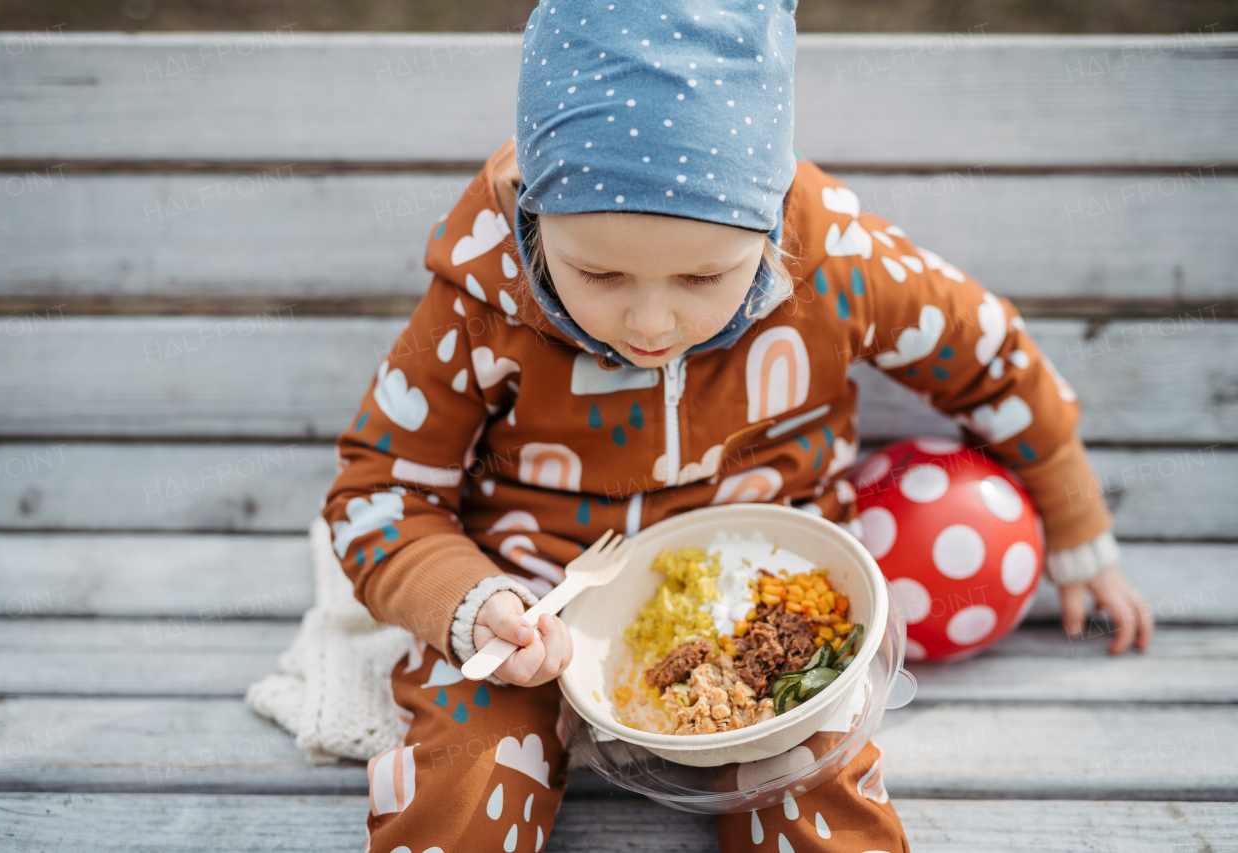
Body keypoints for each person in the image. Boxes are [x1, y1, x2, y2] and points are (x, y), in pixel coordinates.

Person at [322, 2, 1153, 850]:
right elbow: (377, 492)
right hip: (537, 607)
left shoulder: (838, 266)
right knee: (465, 775)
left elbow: (991, 353)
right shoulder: (480, 298)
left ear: (769, 221)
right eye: (597, 272)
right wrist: (471, 603)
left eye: (704, 275)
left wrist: (1076, 521)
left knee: (816, 797)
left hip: (772, 611)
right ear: (536, 219)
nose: (650, 322)